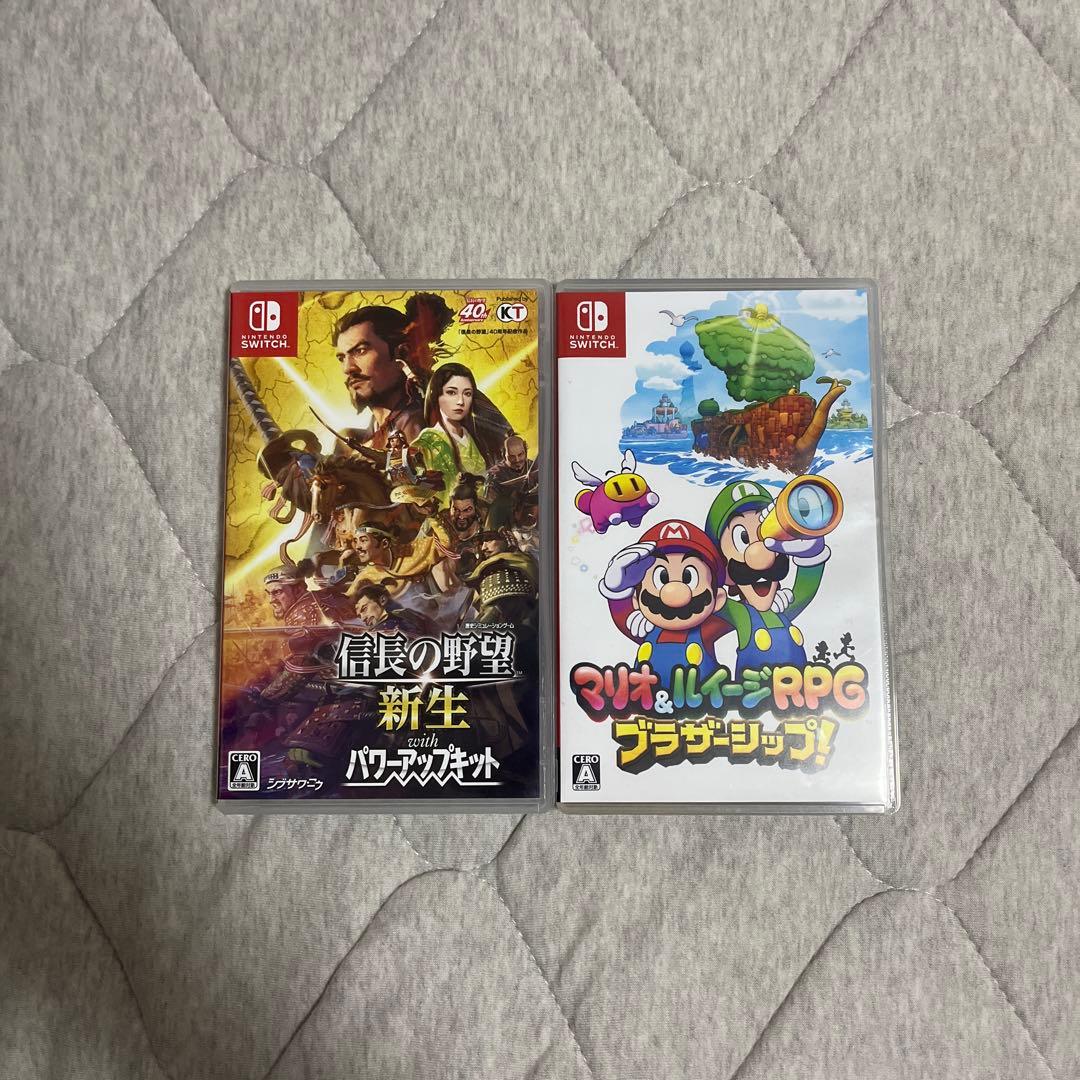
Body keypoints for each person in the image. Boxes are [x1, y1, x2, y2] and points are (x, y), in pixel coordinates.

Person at [331, 294, 455, 453]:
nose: (348, 368)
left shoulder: (417, 427)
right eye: (342, 358)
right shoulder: (365, 434)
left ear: (402, 353)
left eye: (360, 351)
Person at [411, 362, 511, 506]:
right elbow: (419, 488)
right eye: (451, 392)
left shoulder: (476, 438)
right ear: (437, 395)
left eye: (467, 393)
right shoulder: (427, 441)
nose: (460, 401)